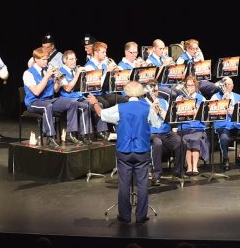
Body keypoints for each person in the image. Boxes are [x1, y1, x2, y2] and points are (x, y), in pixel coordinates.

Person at [87, 81, 163, 224]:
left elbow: (101, 114)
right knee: (142, 185)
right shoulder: (147, 108)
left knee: (124, 185)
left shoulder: (120, 107)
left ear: (127, 93)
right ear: (140, 93)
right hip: (142, 151)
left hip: (124, 151)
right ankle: (141, 217)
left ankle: (125, 216)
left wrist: (95, 102)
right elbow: (157, 124)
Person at [24, 47, 83, 146]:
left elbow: (55, 90)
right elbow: (37, 92)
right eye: (43, 59)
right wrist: (47, 77)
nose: (45, 61)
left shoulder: (48, 70)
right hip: (34, 102)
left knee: (73, 102)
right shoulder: (28, 73)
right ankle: (50, 137)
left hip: (49, 100)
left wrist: (58, 81)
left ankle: (71, 134)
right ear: (36, 59)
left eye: (46, 59)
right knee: (48, 107)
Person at [211, 76, 240, 171]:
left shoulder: (239, 97)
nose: (227, 86)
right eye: (225, 85)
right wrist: (222, 103)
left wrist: (235, 112)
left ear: (233, 86)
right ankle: (225, 159)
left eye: (229, 84)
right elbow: (212, 113)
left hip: (236, 126)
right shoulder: (215, 97)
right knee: (224, 138)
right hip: (223, 126)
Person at [147, 84, 183, 183]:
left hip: (166, 132)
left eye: (156, 90)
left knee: (181, 142)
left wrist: (164, 113)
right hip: (152, 132)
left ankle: (177, 172)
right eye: (153, 91)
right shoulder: (143, 103)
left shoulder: (163, 101)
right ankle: (156, 174)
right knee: (157, 143)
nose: (155, 93)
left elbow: (169, 117)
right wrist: (152, 111)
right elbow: (143, 120)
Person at [174, 75, 207, 175]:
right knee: (186, 143)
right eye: (188, 86)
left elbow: (203, 115)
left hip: (197, 126)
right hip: (184, 126)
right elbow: (176, 113)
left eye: (192, 85)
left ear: (195, 86)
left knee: (196, 141)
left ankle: (195, 166)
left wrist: (195, 106)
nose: (190, 88)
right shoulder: (180, 98)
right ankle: (189, 166)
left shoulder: (201, 98)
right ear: (185, 86)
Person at [56, 50, 91, 141]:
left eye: (75, 59)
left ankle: (88, 132)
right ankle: (77, 134)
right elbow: (68, 88)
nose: (74, 61)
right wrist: (77, 74)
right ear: (64, 60)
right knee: (84, 106)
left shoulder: (75, 70)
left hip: (78, 97)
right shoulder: (60, 72)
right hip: (67, 99)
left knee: (93, 103)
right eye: (71, 59)